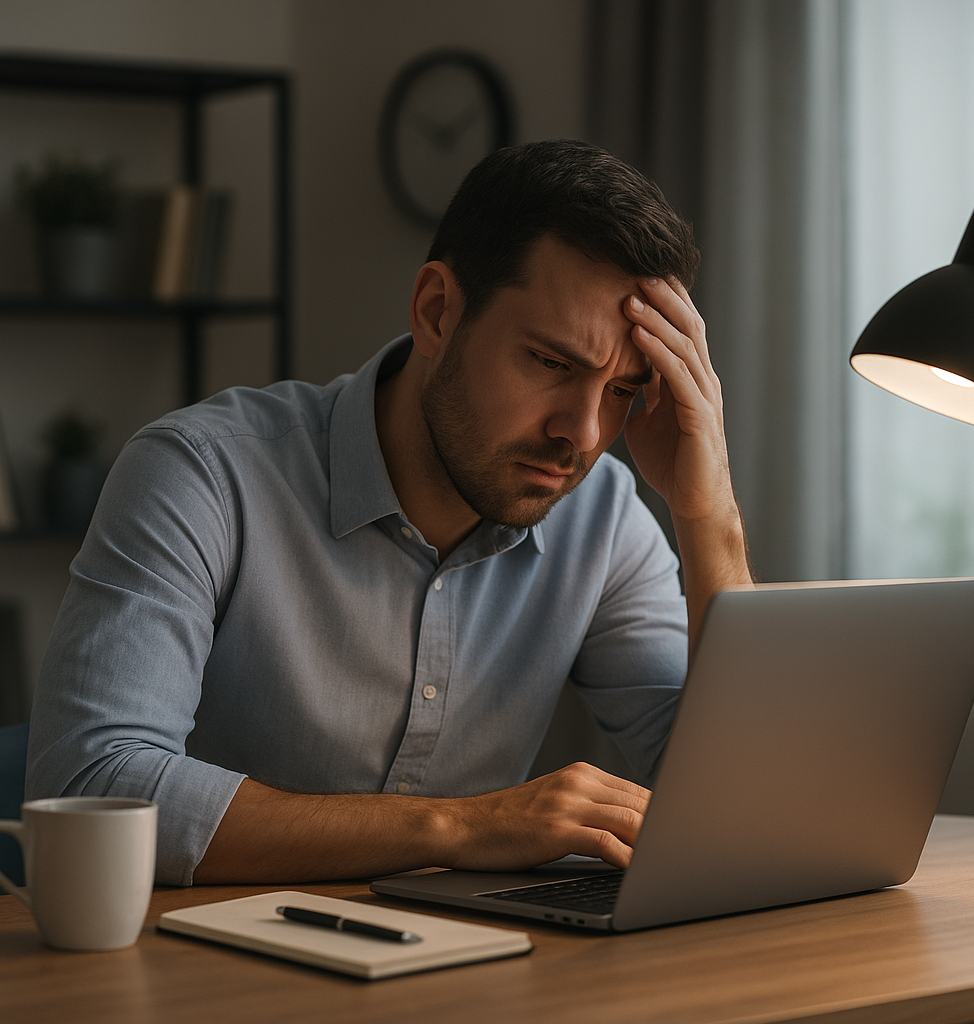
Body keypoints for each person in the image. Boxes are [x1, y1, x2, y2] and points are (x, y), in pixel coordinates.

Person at [26, 140, 752, 886]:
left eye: (623, 390)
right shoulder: (202, 476)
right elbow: (93, 784)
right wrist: (462, 827)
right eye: (551, 363)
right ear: (437, 312)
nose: (585, 432)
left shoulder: (601, 520)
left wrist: (709, 513)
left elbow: (745, 804)